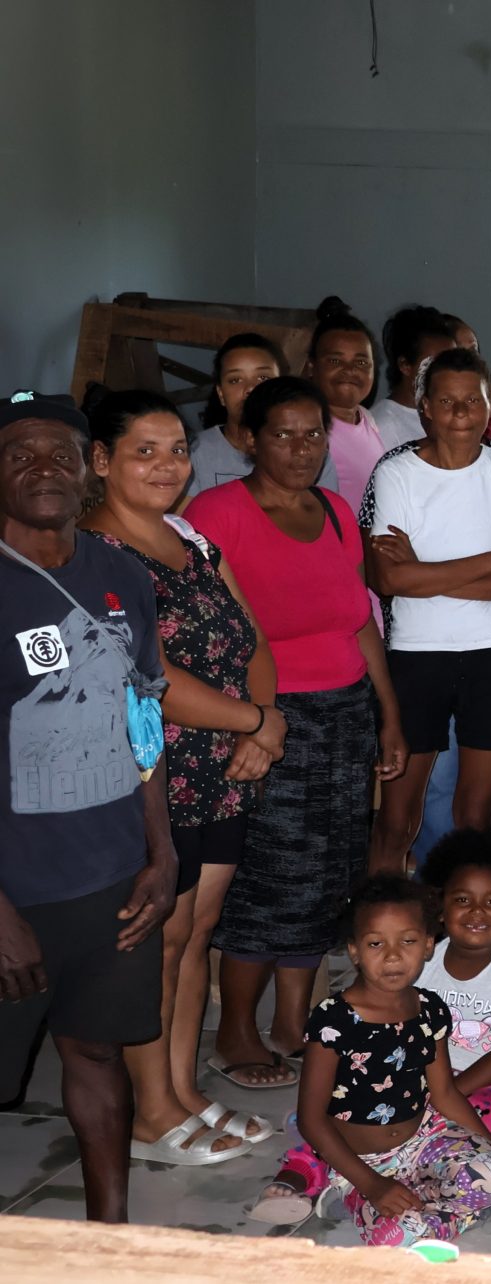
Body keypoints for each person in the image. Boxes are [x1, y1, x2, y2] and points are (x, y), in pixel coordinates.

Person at [78, 392, 288, 1166]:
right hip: (154, 773)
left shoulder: (188, 538)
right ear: (100, 462)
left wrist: (263, 719)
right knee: (158, 941)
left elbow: (249, 634)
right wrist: (256, 724)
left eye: (176, 450)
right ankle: (149, 1115)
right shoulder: (93, 554)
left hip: (227, 764)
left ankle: (183, 1088)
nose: (168, 466)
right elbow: (146, 672)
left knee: (196, 933)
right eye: (145, 451)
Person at [186, 377, 408, 1092]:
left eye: (314, 433)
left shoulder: (338, 511)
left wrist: (388, 716)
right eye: (283, 433)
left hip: (345, 716)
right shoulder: (218, 513)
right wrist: (253, 722)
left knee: (332, 875)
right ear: (248, 438)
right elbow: (210, 636)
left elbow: (359, 623)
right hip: (268, 722)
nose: (302, 448)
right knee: (270, 878)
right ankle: (236, 1028)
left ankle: (295, 1022)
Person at [0, 390, 179, 1222]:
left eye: (59, 453)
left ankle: (110, 1235)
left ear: (88, 469)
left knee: (96, 1050)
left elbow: (143, 720)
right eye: (19, 453)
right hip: (16, 888)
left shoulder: (122, 575)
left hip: (112, 872)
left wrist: (161, 853)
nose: (42, 468)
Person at [252, 834, 491, 1225]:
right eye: (463, 900)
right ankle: (329, 1176)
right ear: (441, 910)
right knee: (331, 1121)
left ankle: (416, 1189)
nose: (395, 955)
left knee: (487, 1123)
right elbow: (324, 1107)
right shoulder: (343, 1014)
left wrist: (484, 1141)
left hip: (475, 1086)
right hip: (406, 1096)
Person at [363, 348, 491, 869]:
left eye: (474, 400)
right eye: (447, 401)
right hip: (416, 658)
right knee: (399, 815)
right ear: (424, 407)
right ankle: (380, 913)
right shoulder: (396, 472)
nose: (461, 412)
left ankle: (461, 922)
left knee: (476, 815)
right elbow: (389, 580)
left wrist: (429, 574)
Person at [187, 334, 343, 499]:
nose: (250, 388)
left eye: (263, 377)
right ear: (220, 394)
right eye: (235, 380)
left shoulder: (310, 454)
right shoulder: (195, 452)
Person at [307, 297, 394, 500]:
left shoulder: (368, 421)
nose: (349, 370)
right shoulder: (308, 429)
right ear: (312, 367)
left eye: (361, 362)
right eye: (335, 360)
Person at [375, 305, 461, 452]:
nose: (446, 372)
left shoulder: (452, 410)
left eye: (451, 361)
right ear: (405, 365)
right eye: (433, 364)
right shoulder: (382, 425)